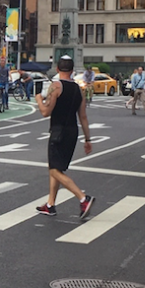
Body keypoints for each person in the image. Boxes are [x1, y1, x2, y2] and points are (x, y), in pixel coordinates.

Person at [35, 56, 95, 219]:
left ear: (58, 69)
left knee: (54, 169)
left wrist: (39, 100)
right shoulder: (78, 89)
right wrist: (88, 140)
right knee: (58, 168)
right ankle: (50, 204)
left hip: (58, 131)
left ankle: (83, 198)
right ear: (73, 71)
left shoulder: (56, 86)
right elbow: (83, 116)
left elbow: (45, 112)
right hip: (72, 131)